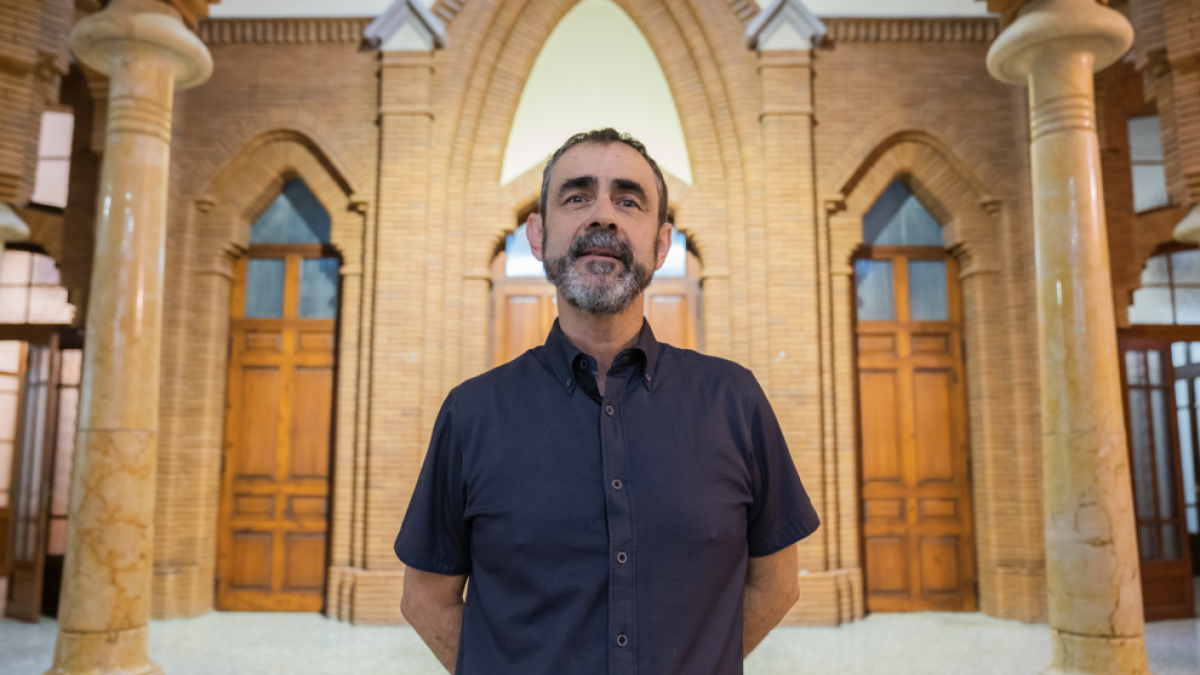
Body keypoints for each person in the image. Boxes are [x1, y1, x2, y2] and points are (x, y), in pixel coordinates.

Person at [395, 128, 819, 674]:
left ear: (662, 243)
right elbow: (425, 598)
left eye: (628, 200)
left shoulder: (734, 401)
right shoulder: (472, 414)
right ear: (538, 233)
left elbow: (778, 585)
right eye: (576, 196)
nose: (603, 216)